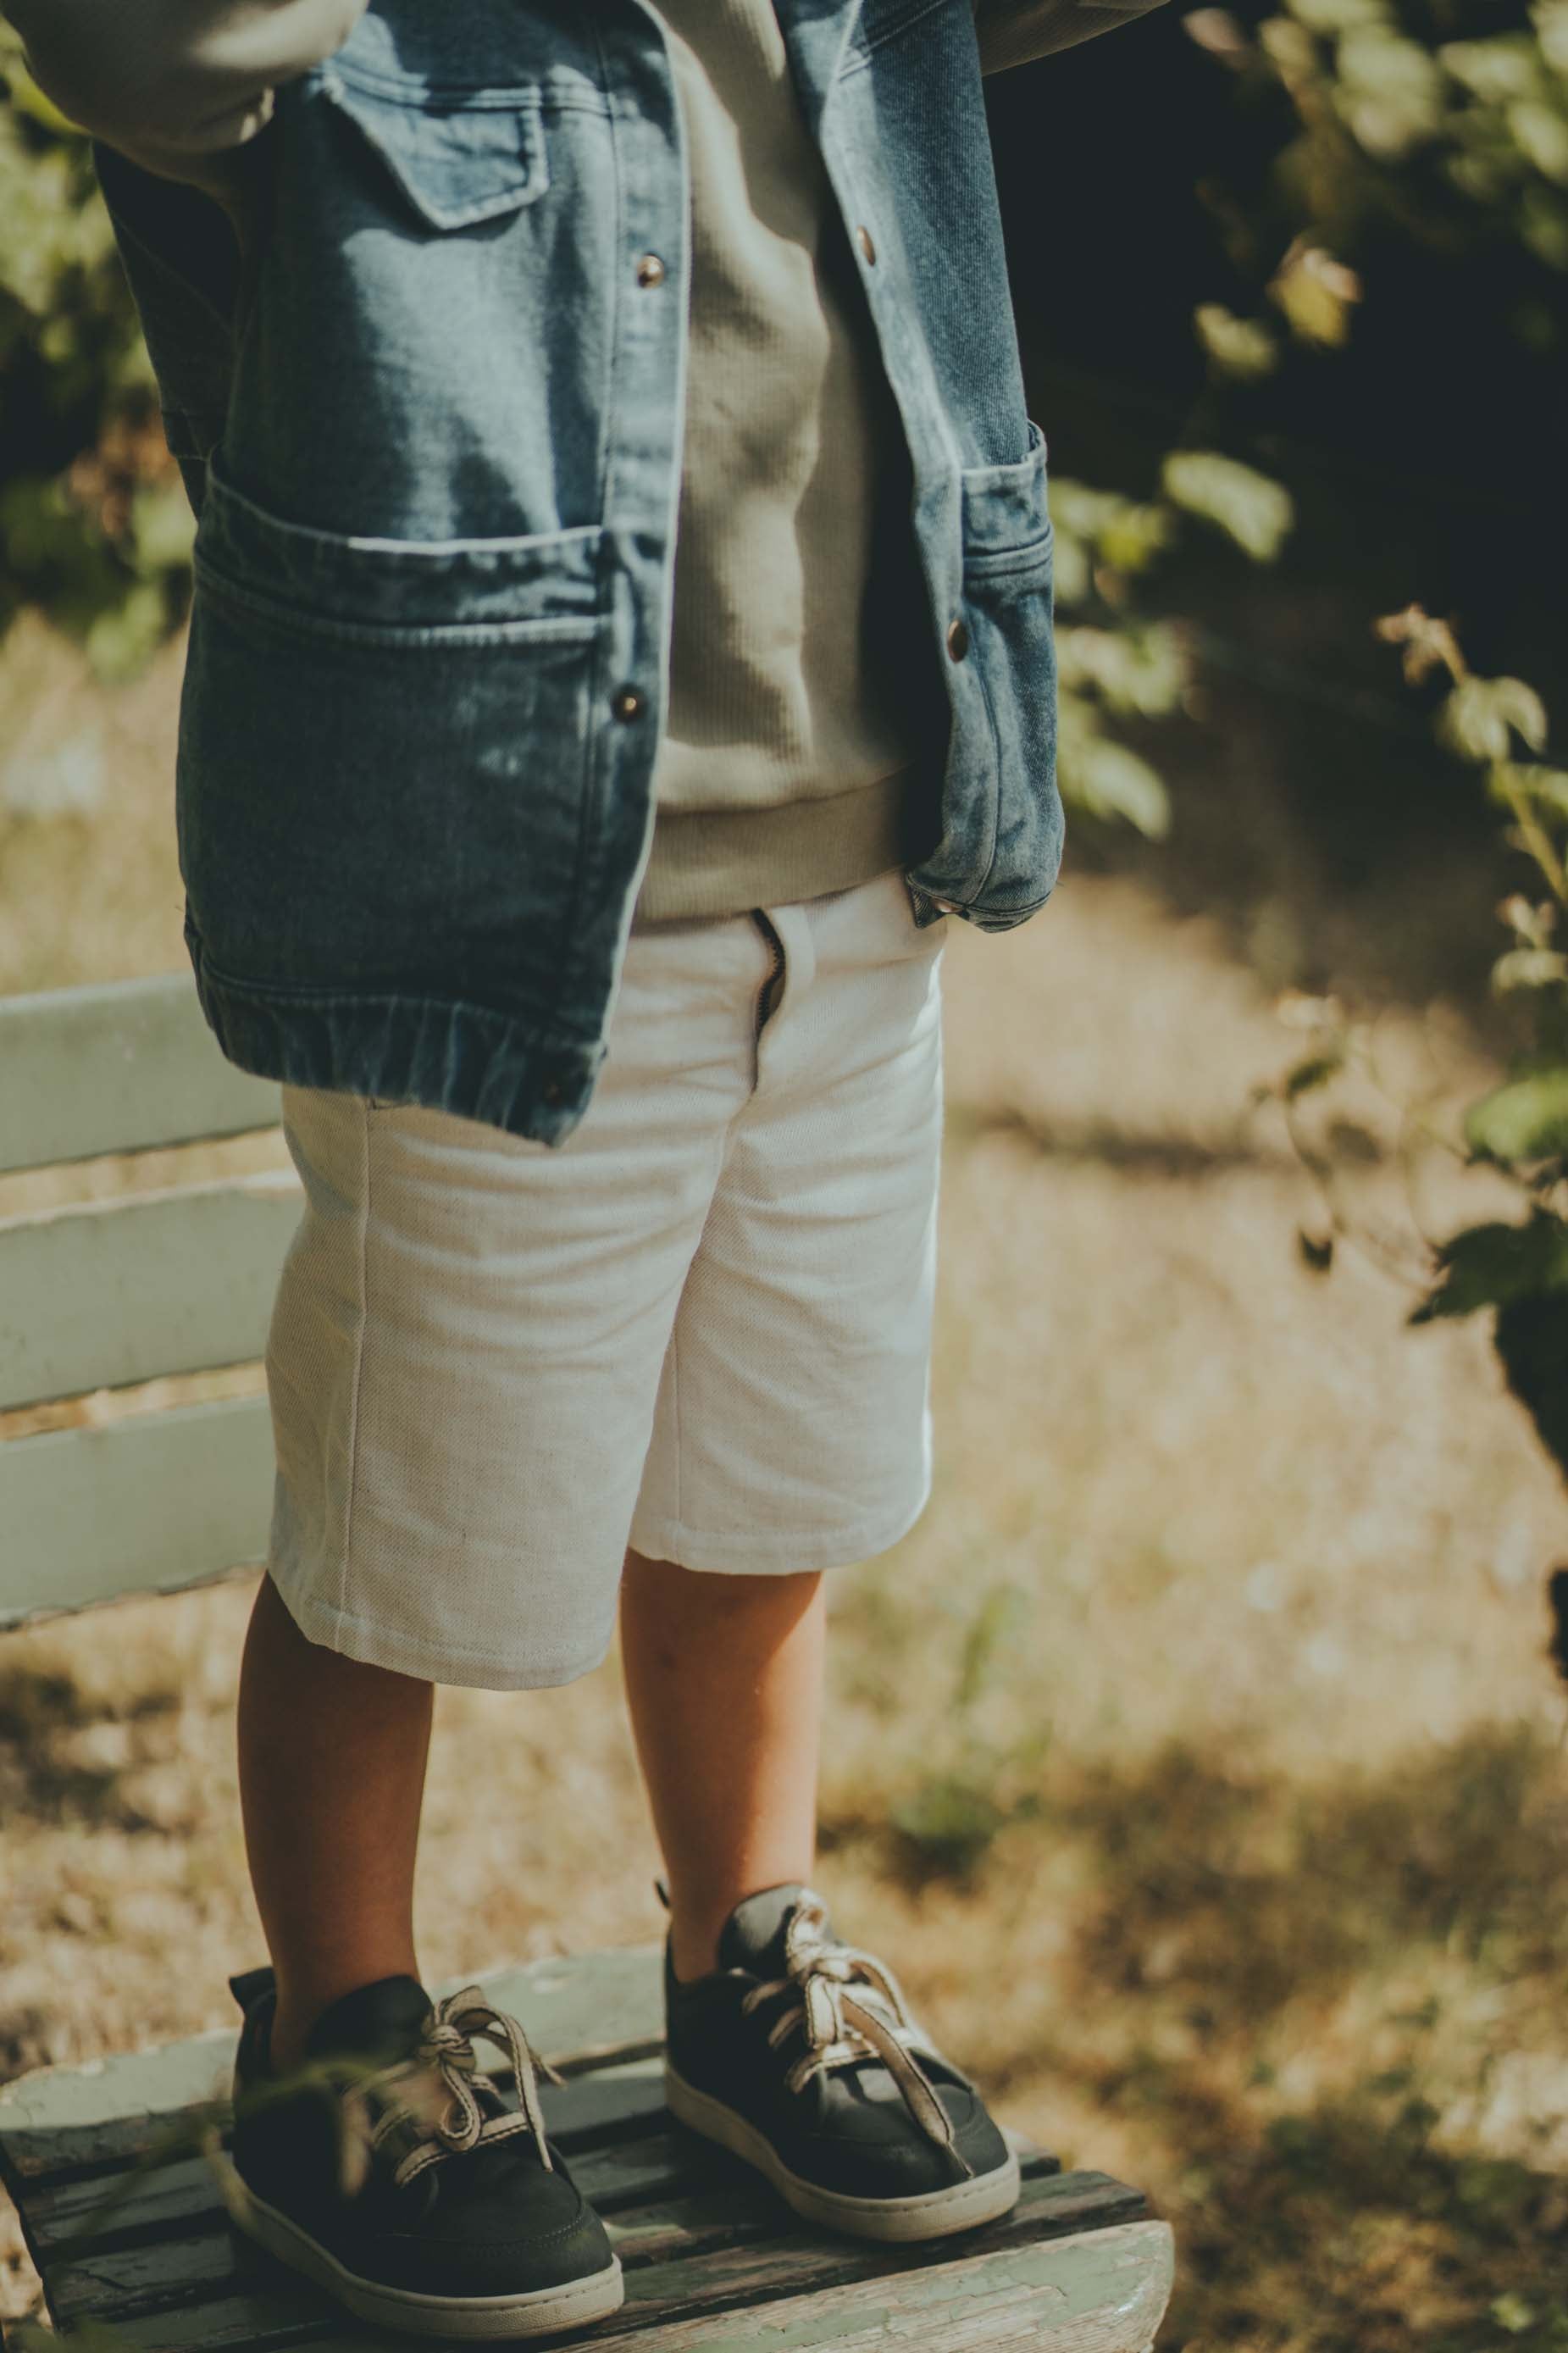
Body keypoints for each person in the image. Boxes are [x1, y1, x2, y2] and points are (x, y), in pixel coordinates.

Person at [5, 0, 1169, 2334]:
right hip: (501, 892)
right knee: (397, 1540)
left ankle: (745, 1953)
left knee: (766, 1503)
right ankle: (338, 2045)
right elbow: (127, 52)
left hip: (861, 883)